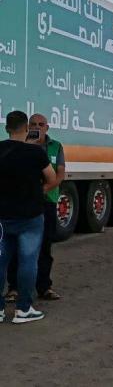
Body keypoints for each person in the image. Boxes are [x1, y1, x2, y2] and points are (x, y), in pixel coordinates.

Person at [0, 111, 57, 324]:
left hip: (2, 217)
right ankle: (24, 309)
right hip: (30, 217)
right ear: (26, 129)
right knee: (27, 262)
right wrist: (37, 192)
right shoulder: (36, 153)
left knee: (0, 262)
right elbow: (52, 178)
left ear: (7, 128)